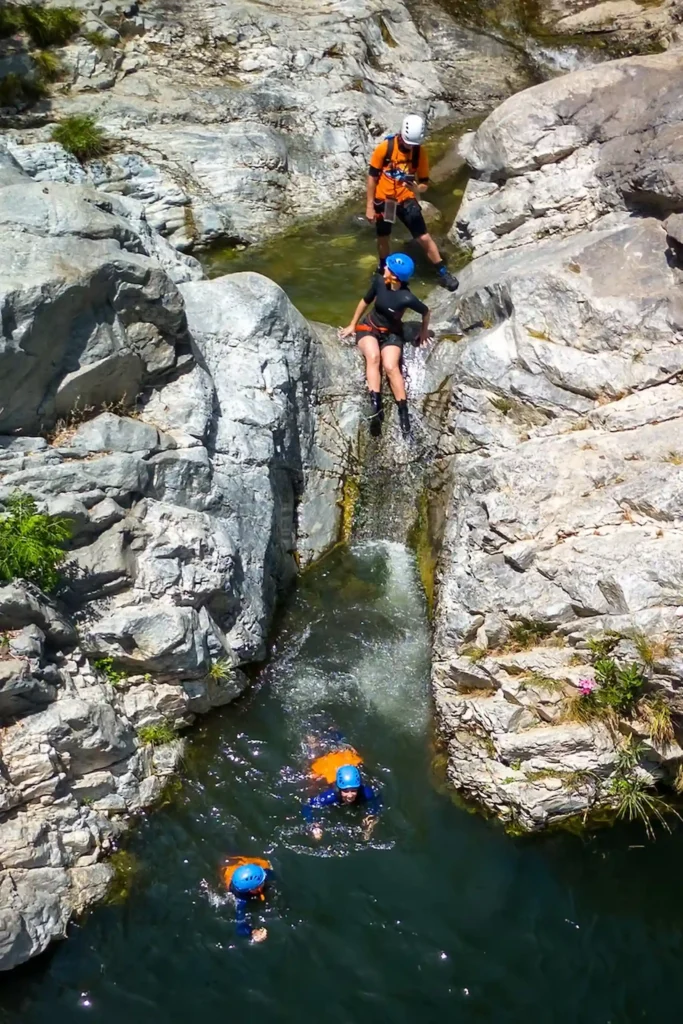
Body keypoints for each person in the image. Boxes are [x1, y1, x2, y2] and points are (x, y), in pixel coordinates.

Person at [366, 114, 459, 292]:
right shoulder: (385, 148)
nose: (409, 147)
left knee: (423, 236)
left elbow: (424, 182)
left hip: (406, 199)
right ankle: (384, 268)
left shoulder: (418, 153)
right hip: (385, 200)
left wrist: (417, 188)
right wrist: (370, 205)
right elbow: (372, 177)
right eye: (408, 143)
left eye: (413, 144)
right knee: (383, 237)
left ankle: (442, 272)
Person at [340, 252, 429, 437]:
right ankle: (376, 407)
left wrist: (424, 332)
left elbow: (426, 312)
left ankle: (403, 414)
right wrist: (352, 325)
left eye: (388, 267)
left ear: (394, 275)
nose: (384, 268)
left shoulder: (407, 298)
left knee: (390, 366)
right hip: (369, 328)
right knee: (373, 357)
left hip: (391, 334)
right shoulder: (379, 282)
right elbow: (364, 301)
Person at [303, 763, 382, 841]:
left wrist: (372, 818)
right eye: (345, 791)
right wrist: (314, 825)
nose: (350, 795)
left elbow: (376, 802)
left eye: (354, 790)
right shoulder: (329, 797)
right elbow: (307, 806)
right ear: (339, 789)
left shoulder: (367, 793)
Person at [222, 857, 274, 943]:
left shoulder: (258, 872)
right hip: (228, 869)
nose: (264, 879)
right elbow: (240, 927)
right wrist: (253, 932)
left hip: (237, 863)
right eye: (262, 882)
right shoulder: (241, 901)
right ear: (254, 889)